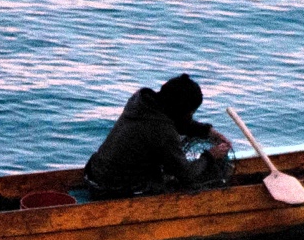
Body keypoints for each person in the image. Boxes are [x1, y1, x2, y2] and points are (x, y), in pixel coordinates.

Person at [83, 74, 234, 198]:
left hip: (93, 175)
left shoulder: (140, 103)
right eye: (190, 112)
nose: (191, 116)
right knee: (180, 183)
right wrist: (210, 156)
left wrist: (208, 131)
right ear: (180, 110)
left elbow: (175, 120)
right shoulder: (163, 131)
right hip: (109, 190)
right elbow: (187, 174)